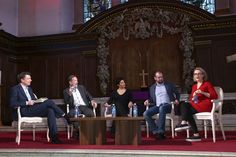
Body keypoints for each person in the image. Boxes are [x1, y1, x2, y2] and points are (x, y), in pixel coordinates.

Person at [9, 72, 70, 144]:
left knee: (50, 110)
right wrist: (26, 102)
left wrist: (38, 101)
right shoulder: (15, 89)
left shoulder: (29, 89)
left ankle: (54, 138)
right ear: (22, 80)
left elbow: (33, 100)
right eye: (28, 78)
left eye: (30, 78)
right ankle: (64, 115)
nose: (31, 80)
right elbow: (12, 103)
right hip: (24, 111)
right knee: (49, 102)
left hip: (33, 109)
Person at [174, 67, 218, 142]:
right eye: (195, 74)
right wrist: (194, 96)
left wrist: (202, 92)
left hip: (205, 105)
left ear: (203, 75)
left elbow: (215, 96)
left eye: (199, 74)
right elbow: (192, 99)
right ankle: (196, 135)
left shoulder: (207, 84)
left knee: (183, 105)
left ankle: (184, 123)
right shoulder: (194, 86)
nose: (197, 75)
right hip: (197, 105)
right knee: (185, 109)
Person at [143, 71, 180, 140]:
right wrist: (148, 100)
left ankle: (161, 131)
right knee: (146, 113)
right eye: (159, 77)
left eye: (161, 77)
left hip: (168, 105)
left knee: (162, 108)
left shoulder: (169, 85)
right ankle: (156, 131)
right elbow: (152, 99)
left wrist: (177, 99)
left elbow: (177, 93)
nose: (160, 79)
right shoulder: (152, 88)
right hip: (157, 106)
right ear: (155, 78)